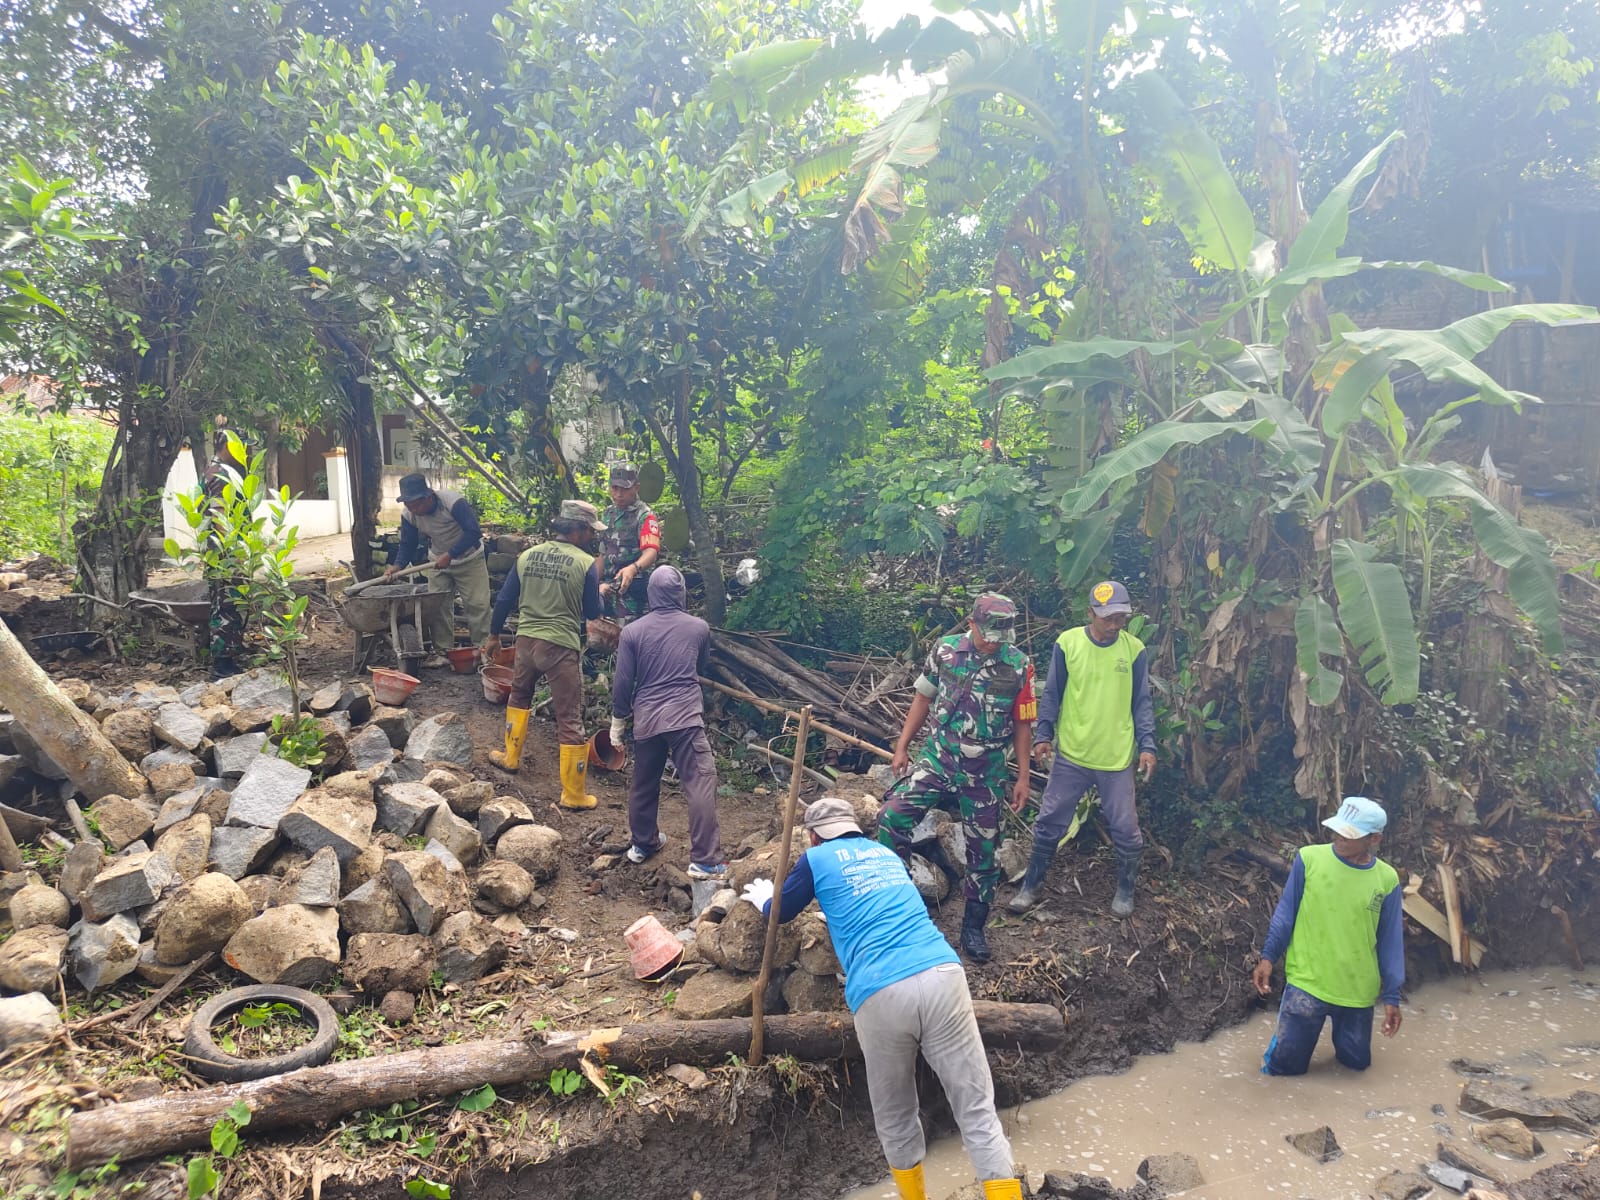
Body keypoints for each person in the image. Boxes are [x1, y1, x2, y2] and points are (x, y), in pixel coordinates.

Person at [745, 798, 1024, 1200]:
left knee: (897, 1115)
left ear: (813, 836)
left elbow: (782, 911)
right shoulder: (886, 854)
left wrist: (764, 900)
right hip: (942, 973)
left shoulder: (815, 858)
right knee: (977, 1110)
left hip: (880, 990)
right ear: (854, 828)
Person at [879, 594, 1035, 964]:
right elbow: (923, 699)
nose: (994, 642)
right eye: (988, 634)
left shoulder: (1019, 665)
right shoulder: (945, 651)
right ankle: (899, 904)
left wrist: (1024, 777)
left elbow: (1023, 724)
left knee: (983, 851)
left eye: (1000, 636)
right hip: (939, 758)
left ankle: (973, 928)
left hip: (986, 770)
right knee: (891, 817)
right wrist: (902, 747)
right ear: (971, 623)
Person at [1008, 580, 1156, 918]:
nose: (1115, 625)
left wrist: (1147, 745)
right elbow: (1052, 693)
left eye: (1120, 618)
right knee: (1050, 820)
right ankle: (1030, 886)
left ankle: (1125, 890)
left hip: (1116, 757)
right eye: (1108, 618)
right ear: (1090, 613)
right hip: (1072, 754)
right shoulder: (1068, 643)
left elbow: (1142, 702)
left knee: (1125, 828)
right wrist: (1043, 734)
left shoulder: (1134, 650)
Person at [1252, 796, 1404, 1076]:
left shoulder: (1387, 880)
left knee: (1355, 1068)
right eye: (1338, 829)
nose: (1340, 837)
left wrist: (1392, 996)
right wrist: (1268, 957)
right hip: (1306, 985)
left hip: (1358, 992)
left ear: (1374, 839)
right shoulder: (1309, 859)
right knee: (1282, 1071)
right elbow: (1286, 914)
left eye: (1350, 834)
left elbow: (1390, 941)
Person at [482, 500, 606, 809]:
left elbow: (505, 599)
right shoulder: (585, 563)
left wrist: (494, 635)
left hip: (526, 642)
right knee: (569, 715)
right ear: (577, 530)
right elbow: (593, 612)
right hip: (559, 647)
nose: (592, 536)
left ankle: (510, 757)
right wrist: (599, 592)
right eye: (590, 530)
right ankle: (573, 794)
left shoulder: (527, 556)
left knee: (519, 696)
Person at [608, 565, 725, 879]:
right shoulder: (698, 628)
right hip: (685, 716)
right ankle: (705, 859)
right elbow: (701, 665)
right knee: (700, 780)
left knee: (644, 781)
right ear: (681, 592)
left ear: (651, 593)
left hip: (647, 718)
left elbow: (623, 682)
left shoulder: (632, 632)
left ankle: (643, 843)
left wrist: (618, 721)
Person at [386, 473, 492, 668]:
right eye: (408, 505)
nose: (413, 509)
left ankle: (484, 650)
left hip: (469, 558)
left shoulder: (452, 502)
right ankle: (443, 652)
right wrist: (397, 565)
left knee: (477, 604)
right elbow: (408, 544)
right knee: (437, 606)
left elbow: (473, 531)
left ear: (428, 496)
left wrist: (450, 554)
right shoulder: (409, 515)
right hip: (437, 561)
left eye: (416, 505)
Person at [202, 430, 248, 677]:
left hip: (225, 550)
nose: (245, 451)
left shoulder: (223, 471)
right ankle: (221, 666)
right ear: (228, 446)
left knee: (230, 603)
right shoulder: (219, 473)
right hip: (223, 552)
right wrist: (231, 551)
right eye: (240, 446)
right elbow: (219, 514)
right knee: (224, 605)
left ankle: (230, 658)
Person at [597, 460, 661, 620]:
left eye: (625, 489)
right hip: (607, 588)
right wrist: (592, 583)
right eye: (614, 488)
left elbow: (651, 552)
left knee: (631, 631)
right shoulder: (608, 514)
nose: (619, 494)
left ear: (636, 488)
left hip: (633, 591)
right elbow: (602, 553)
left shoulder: (645, 516)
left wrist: (633, 568)